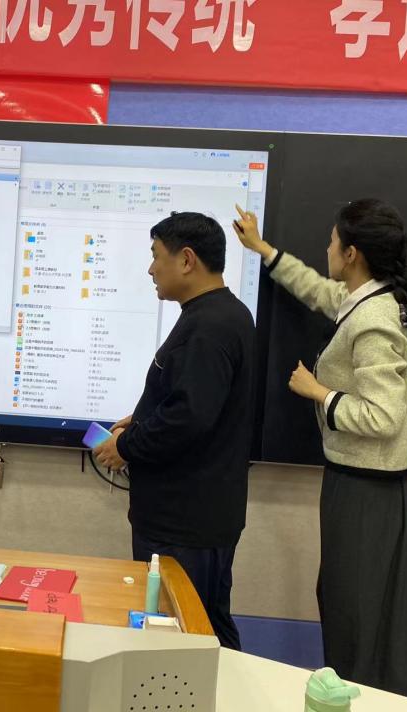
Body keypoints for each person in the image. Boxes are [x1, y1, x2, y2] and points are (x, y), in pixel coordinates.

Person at [233, 199, 407, 700]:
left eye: (332, 241)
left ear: (351, 253)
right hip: (366, 489)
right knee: (355, 609)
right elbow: (318, 290)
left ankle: (351, 702)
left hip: (367, 494)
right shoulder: (366, 298)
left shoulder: (374, 321)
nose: (326, 248)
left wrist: (319, 392)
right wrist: (263, 250)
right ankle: (360, 699)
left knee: (354, 614)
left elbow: (383, 418)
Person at [94, 211, 256, 650]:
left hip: (184, 524)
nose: (151, 269)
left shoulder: (209, 326)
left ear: (186, 260)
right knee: (208, 628)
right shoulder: (223, 314)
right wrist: (142, 419)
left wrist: (127, 445)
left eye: (156, 256)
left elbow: (190, 417)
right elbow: (199, 401)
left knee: (182, 641)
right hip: (199, 515)